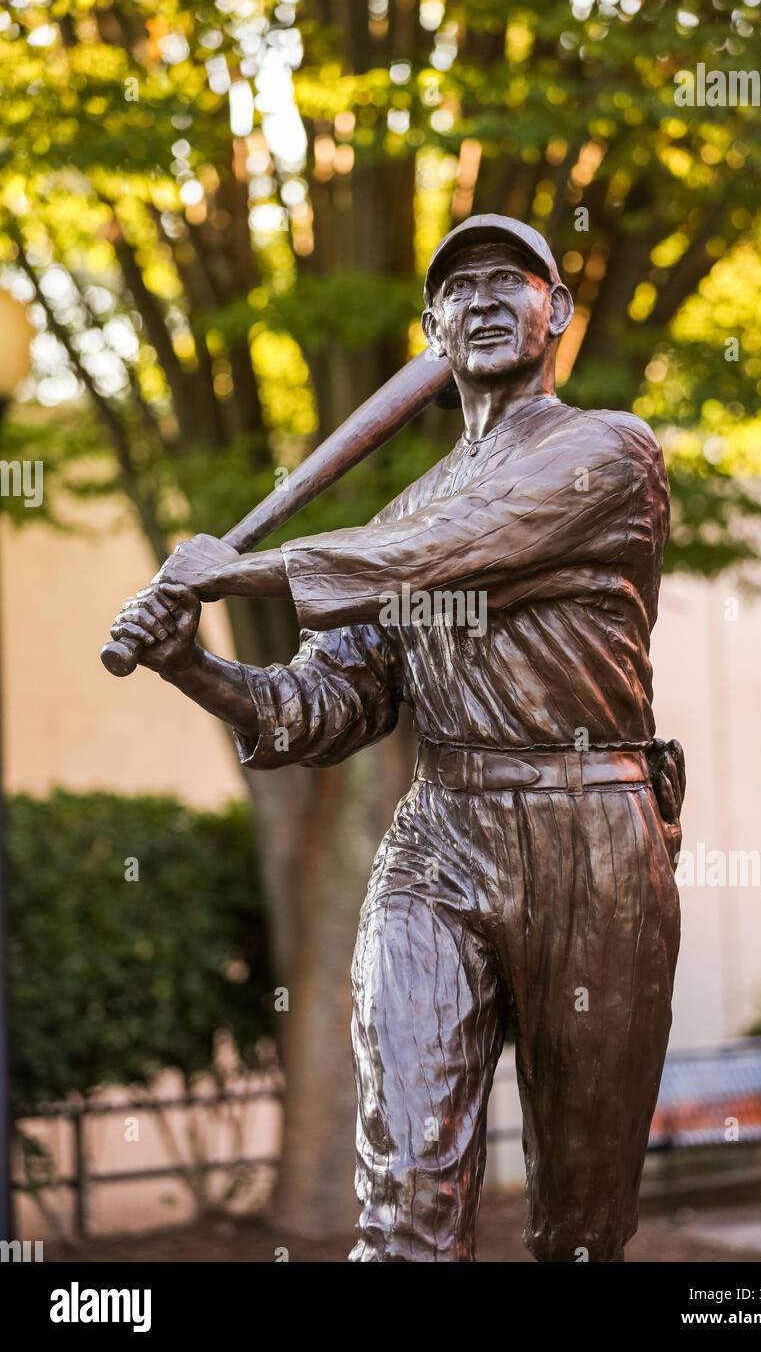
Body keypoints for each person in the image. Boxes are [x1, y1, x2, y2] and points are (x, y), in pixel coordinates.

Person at [111, 214, 685, 1263]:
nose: (480, 299)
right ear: (432, 328)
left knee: (579, 1231)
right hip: (439, 842)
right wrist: (188, 660)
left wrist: (236, 569)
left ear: (554, 311)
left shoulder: (608, 453)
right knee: (404, 1213)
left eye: (506, 279)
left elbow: (450, 549)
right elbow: (315, 709)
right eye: (455, 289)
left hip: (591, 834)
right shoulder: (397, 517)